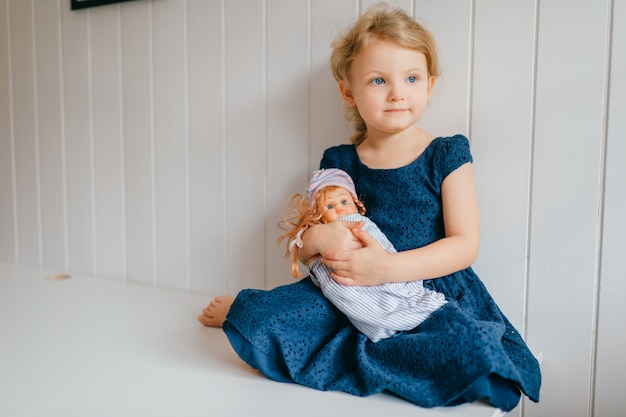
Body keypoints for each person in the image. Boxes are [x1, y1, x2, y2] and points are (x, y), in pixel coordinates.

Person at [198, 3, 541, 412]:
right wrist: (315, 238)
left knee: (475, 347)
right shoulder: (339, 163)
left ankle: (398, 359)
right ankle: (366, 350)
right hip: (349, 292)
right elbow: (306, 239)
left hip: (426, 288)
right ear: (349, 91)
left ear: (429, 85)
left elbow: (465, 245)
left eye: (411, 78)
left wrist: (388, 268)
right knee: (260, 317)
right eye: (378, 80)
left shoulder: (445, 154)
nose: (397, 92)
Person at [278, 168, 447, 342]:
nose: (339, 208)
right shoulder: (323, 231)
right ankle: (381, 322)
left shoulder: (360, 222)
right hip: (344, 280)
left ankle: (403, 307)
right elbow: (307, 253)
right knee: (352, 299)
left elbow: (381, 243)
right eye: (330, 206)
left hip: (387, 268)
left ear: (355, 203)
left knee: (392, 292)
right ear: (319, 216)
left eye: (344, 201)